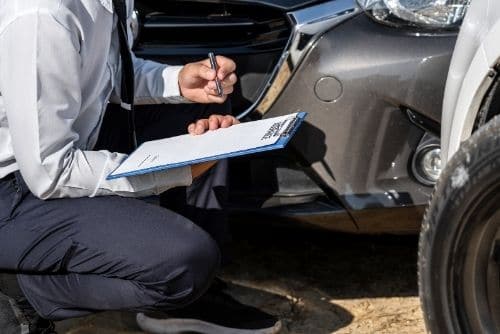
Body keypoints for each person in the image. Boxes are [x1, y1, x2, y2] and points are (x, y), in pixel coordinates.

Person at [0, 0, 281, 333]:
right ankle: (21, 294)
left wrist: (179, 81)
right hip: (13, 191)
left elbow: (106, 71)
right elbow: (50, 172)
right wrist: (173, 171)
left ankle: (192, 301)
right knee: (185, 264)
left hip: (63, 149)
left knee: (203, 119)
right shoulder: (42, 15)